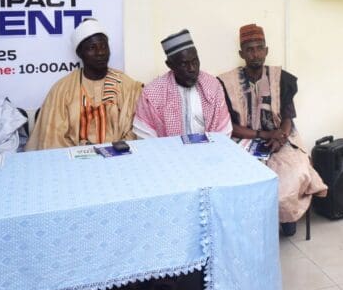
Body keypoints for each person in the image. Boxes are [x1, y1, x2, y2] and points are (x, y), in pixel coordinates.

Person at [218, 23, 328, 237]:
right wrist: (265, 135)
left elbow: (287, 116)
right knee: (238, 176)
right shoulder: (226, 83)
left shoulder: (281, 78)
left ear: (267, 51)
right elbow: (230, 127)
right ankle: (249, 228)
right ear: (241, 53)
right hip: (244, 141)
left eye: (260, 48)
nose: (255, 53)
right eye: (249, 49)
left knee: (295, 171)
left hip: (281, 139)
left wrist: (281, 136)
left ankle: (286, 217)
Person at [26, 18, 143, 150]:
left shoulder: (126, 85)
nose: (100, 52)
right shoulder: (62, 90)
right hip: (76, 160)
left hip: (119, 156)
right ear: (80, 53)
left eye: (104, 46)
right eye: (92, 48)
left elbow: (135, 130)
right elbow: (53, 138)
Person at [133, 29, 232, 138]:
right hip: (168, 153)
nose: (192, 69)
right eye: (184, 64)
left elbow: (223, 133)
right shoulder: (152, 93)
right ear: (170, 65)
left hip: (209, 151)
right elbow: (146, 139)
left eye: (195, 61)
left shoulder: (213, 86)